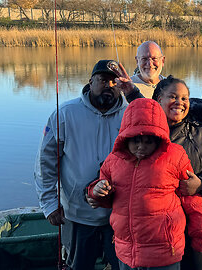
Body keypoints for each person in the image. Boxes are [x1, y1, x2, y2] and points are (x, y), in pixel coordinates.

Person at [87, 98, 202, 270]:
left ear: (159, 139)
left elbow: (193, 201)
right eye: (136, 141)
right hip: (126, 252)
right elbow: (105, 196)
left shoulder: (175, 156)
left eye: (148, 142)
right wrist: (97, 191)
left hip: (165, 253)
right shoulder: (113, 160)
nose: (141, 147)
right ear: (125, 138)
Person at [35, 60, 131, 270]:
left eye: (115, 82)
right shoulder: (65, 113)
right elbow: (46, 162)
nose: (109, 86)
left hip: (120, 214)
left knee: (123, 266)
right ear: (90, 81)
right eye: (103, 80)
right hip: (77, 214)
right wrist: (49, 203)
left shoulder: (131, 113)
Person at [151, 76, 202, 270]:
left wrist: (201, 184)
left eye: (185, 98)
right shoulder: (143, 137)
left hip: (192, 227)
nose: (180, 103)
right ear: (159, 99)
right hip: (155, 228)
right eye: (173, 97)